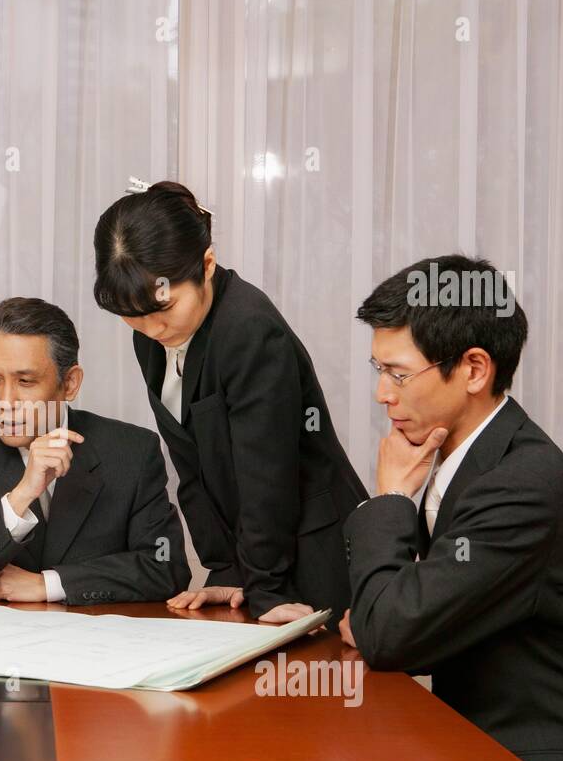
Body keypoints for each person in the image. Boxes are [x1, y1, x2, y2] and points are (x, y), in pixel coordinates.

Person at [343, 254, 563, 761]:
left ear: (473, 369)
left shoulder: (521, 484)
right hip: (485, 734)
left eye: (399, 373)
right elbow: (403, 616)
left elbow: (391, 633)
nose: (383, 394)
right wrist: (388, 618)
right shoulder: (458, 451)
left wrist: (392, 498)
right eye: (380, 371)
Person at [93, 180, 365, 625]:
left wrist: (265, 588)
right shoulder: (151, 335)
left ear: (207, 263)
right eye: (134, 315)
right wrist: (225, 568)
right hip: (256, 562)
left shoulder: (249, 329)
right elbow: (190, 463)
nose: (152, 328)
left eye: (165, 308)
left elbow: (267, 473)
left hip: (313, 547)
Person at [0, 297, 190, 605]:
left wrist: (49, 585)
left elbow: (167, 567)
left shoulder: (132, 451)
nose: (5, 400)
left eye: (25, 381)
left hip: (101, 644)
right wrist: (21, 495)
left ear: (70, 383)